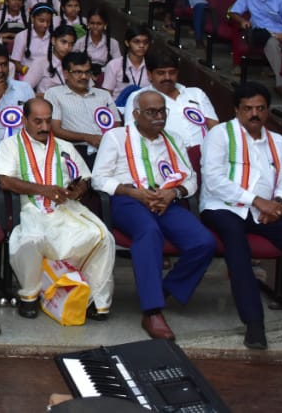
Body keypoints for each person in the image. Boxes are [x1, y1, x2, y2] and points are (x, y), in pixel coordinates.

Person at [200, 83, 282, 351]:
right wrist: (258, 201)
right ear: (236, 110)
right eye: (248, 108)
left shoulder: (278, 142)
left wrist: (278, 203)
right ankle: (254, 323)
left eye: (260, 108)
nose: (254, 114)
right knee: (236, 242)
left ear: (267, 111)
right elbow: (213, 181)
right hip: (223, 207)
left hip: (266, 211)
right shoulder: (220, 135)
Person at [92, 89, 215, 341]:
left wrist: (173, 193)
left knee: (203, 242)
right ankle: (152, 311)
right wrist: (133, 192)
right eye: (151, 112)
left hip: (165, 201)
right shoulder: (116, 137)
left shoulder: (174, 139)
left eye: (161, 111)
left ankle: (163, 290)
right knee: (149, 233)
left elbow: (190, 179)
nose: (158, 117)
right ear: (136, 114)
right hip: (128, 200)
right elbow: (98, 179)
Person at [0, 98, 115, 321]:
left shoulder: (64, 146)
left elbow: (85, 177)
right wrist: (43, 190)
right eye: (37, 121)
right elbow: (5, 181)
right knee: (31, 239)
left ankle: (94, 300)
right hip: (32, 207)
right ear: (24, 120)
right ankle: (29, 296)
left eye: (48, 121)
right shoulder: (10, 145)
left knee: (102, 236)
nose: (44, 127)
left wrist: (79, 189)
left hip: (66, 208)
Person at [119, 53, 219, 151]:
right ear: (149, 75)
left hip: (206, 153)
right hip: (166, 156)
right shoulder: (139, 97)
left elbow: (214, 128)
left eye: (172, 72)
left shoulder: (196, 93)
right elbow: (132, 134)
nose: (167, 77)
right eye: (161, 73)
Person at [43, 52, 120, 160]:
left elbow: (117, 124)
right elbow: (55, 129)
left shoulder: (103, 95)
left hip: (108, 148)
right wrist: (87, 138)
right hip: (75, 150)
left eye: (87, 72)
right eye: (78, 72)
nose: (84, 76)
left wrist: (106, 140)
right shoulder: (54, 94)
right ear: (66, 74)